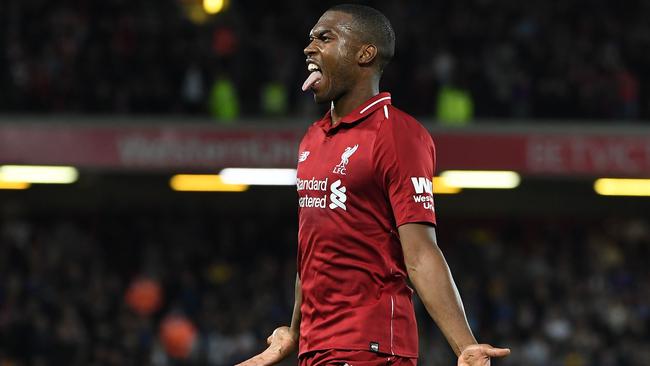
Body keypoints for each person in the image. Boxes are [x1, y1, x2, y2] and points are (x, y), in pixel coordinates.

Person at [237, 4, 510, 366]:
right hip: (317, 350)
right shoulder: (312, 139)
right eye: (309, 39)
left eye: (325, 37)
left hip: (371, 348)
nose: (309, 47)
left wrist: (465, 347)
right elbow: (314, 250)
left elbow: (421, 253)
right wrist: (295, 332)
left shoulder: (397, 135)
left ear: (365, 53)